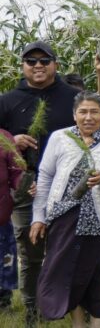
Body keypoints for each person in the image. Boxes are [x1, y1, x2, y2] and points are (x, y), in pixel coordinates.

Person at [0, 40, 80, 325]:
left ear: (55, 65)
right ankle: (33, 308)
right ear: (22, 66)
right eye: (31, 61)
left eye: (44, 61)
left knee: (62, 247)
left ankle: (60, 303)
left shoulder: (72, 97)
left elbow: (94, 129)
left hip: (68, 183)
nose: (37, 66)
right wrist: (12, 140)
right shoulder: (7, 100)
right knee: (30, 249)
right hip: (25, 183)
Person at [32, 91, 100, 327]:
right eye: (83, 111)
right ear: (74, 115)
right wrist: (38, 216)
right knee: (69, 274)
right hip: (65, 219)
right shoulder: (59, 138)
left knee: (97, 275)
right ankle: (77, 322)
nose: (88, 117)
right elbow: (44, 177)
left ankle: (96, 323)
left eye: (94, 111)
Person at [0, 128, 23, 311]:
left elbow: (16, 172)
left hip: (1, 216)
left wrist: (24, 183)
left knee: (4, 258)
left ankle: (3, 301)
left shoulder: (4, 137)